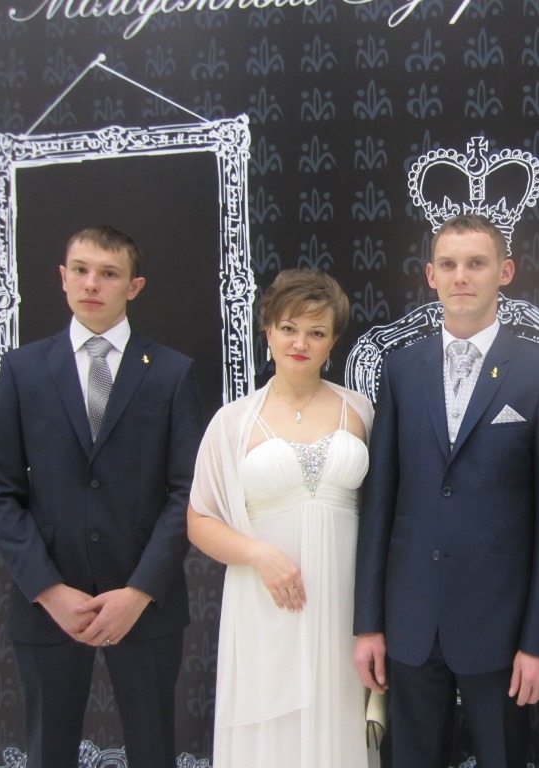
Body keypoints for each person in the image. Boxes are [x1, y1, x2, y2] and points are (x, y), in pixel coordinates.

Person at [352, 213, 539, 768]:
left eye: (476, 263)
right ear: (430, 275)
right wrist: (368, 623)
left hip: (501, 627)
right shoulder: (400, 369)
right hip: (411, 622)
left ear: (506, 271)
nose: (461, 276)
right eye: (448, 264)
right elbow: (380, 505)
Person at [0, 226, 202, 768]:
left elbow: (187, 493)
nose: (91, 284)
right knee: (47, 753)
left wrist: (140, 591)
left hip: (145, 605)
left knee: (154, 750)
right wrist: (47, 589)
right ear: (62, 277)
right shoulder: (24, 370)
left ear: (134, 286)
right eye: (80, 270)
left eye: (108, 273)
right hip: (48, 604)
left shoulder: (172, 372)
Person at [187, 269, 374, 768]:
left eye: (317, 332)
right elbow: (199, 518)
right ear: (267, 331)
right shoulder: (231, 422)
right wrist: (258, 555)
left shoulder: (361, 412)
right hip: (265, 602)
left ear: (333, 341)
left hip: (343, 607)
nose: (300, 343)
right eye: (289, 328)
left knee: (337, 725)